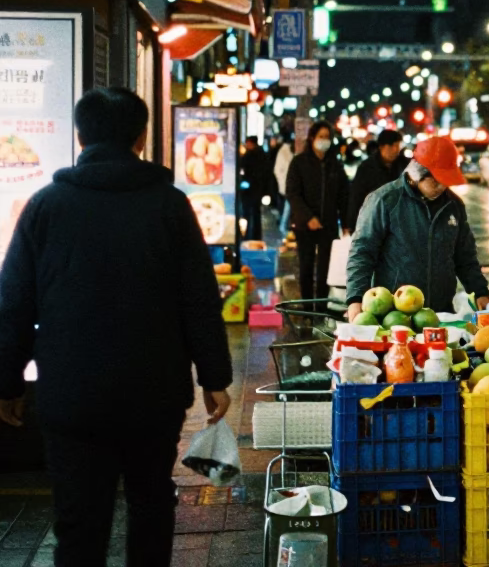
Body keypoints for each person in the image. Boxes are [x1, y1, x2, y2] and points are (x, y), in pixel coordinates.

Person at [0, 87, 232, 567]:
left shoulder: (46, 206)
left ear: (79, 137)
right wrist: (215, 379)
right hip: (154, 393)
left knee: (79, 524)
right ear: (142, 138)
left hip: (71, 395)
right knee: (150, 508)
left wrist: (6, 383)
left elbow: (13, 304)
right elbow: (199, 300)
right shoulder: (169, 206)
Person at [346, 135, 489, 320]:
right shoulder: (384, 201)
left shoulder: (453, 205)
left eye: (446, 180)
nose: (441, 186)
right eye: (436, 179)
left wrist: (480, 291)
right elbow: (362, 253)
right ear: (417, 173)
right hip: (394, 315)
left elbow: (465, 257)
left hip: (440, 314)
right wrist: (355, 299)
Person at [286, 121, 349, 300]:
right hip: (304, 225)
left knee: (326, 269)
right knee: (306, 266)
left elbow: (343, 196)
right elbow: (293, 193)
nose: (324, 141)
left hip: (328, 225)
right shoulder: (299, 162)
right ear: (312, 138)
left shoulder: (335, 165)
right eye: (321, 136)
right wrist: (308, 217)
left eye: (328, 137)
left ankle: (321, 307)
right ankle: (307, 307)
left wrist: (345, 224)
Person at [346, 129, 406, 233]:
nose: (396, 150)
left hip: (399, 226)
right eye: (392, 146)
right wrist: (352, 224)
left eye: (398, 146)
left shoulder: (403, 166)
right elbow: (356, 197)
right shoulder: (367, 167)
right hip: (373, 225)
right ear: (382, 147)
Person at [239, 136, 268, 241]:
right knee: (256, 213)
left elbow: (243, 169)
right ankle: (256, 236)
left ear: (250, 143)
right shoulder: (263, 154)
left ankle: (246, 236)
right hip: (258, 189)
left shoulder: (249, 155)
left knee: (246, 214)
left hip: (248, 190)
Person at [272, 133, 294, 234]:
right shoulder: (283, 152)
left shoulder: (288, 152)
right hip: (287, 186)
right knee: (287, 207)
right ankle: (283, 226)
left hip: (289, 186)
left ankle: (284, 226)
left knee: (288, 207)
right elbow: (278, 170)